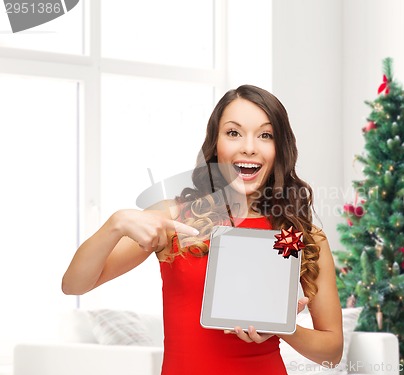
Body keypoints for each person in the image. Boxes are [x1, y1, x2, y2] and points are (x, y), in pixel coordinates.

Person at [62, 85, 344, 374]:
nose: (249, 146)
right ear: (215, 143)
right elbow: (74, 285)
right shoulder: (174, 218)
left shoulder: (300, 236)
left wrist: (282, 327)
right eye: (234, 133)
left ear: (279, 149)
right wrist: (116, 223)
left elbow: (332, 353)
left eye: (265, 135)